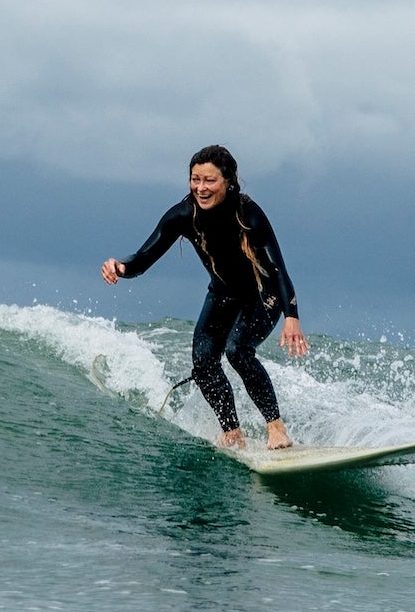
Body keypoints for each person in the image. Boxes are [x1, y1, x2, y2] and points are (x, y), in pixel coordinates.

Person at [102, 145, 310, 451]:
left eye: (209, 180)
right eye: (195, 179)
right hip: (223, 294)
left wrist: (291, 316)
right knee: (202, 362)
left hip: (262, 295)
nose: (201, 187)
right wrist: (122, 267)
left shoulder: (248, 213)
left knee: (237, 351)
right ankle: (233, 433)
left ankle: (276, 429)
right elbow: (144, 257)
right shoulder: (183, 215)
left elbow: (278, 268)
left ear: (228, 181)